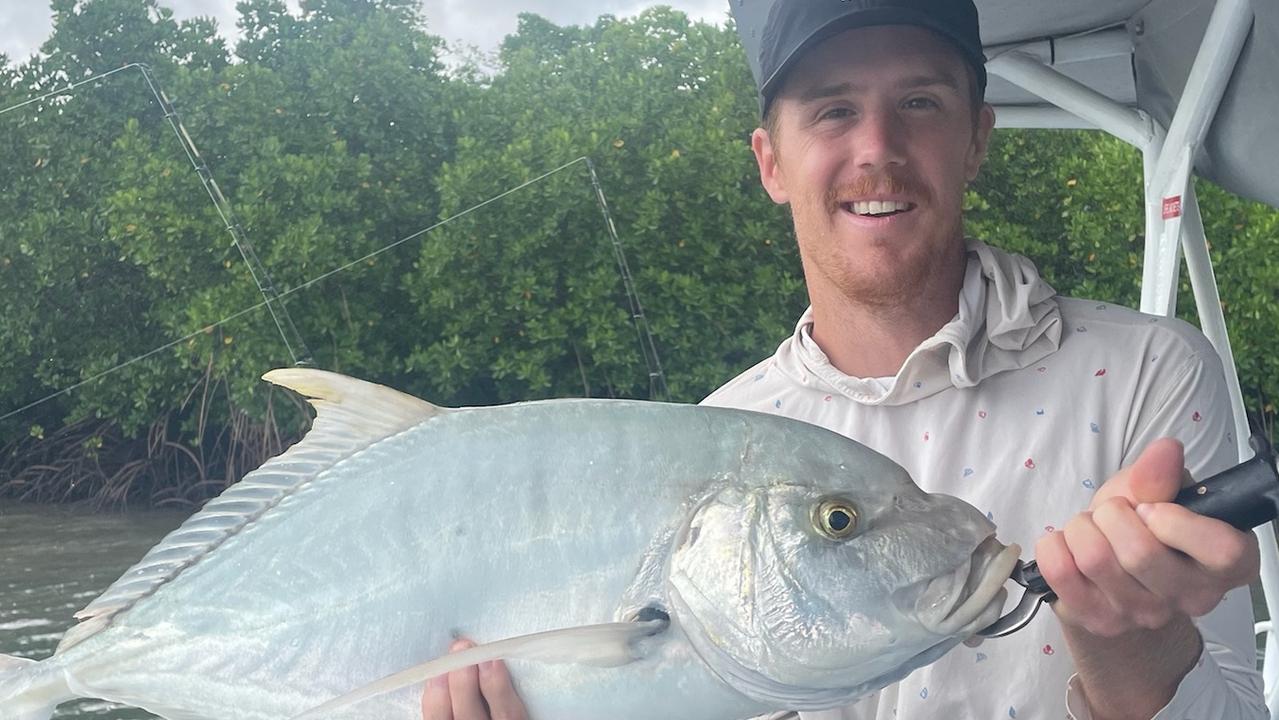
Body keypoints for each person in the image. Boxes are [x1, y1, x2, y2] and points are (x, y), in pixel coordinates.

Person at [421, 1, 1266, 718]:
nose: (876, 148)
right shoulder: (716, 439)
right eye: (830, 109)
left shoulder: (1148, 372)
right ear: (770, 163)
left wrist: (1134, 642)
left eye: (919, 103)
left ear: (975, 139)